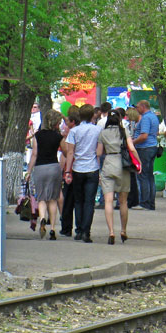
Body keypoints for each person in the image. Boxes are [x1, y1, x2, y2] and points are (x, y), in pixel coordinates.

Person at [63, 103, 103, 242]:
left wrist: (68, 170)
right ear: (93, 115)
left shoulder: (74, 131)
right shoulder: (98, 130)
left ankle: (78, 230)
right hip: (92, 168)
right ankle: (87, 231)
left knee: (78, 201)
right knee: (89, 201)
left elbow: (70, 152)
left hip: (78, 168)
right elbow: (99, 151)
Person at [96, 111, 137, 244]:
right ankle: (123, 230)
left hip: (108, 163)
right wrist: (138, 162)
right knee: (123, 201)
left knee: (108, 201)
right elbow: (131, 148)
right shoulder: (123, 131)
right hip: (122, 165)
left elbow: (99, 153)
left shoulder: (103, 133)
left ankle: (111, 232)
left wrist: (98, 170)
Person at [26, 109, 64, 240]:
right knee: (52, 199)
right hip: (54, 167)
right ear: (55, 123)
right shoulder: (58, 137)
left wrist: (29, 171)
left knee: (41, 198)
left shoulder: (38, 135)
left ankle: (42, 218)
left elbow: (34, 154)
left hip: (40, 168)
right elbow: (65, 151)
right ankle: (52, 229)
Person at [132, 100, 160, 210]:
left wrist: (132, 142)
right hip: (152, 147)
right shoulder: (153, 117)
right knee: (149, 176)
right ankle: (151, 203)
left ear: (143, 107)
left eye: (137, 107)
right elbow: (156, 132)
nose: (136, 109)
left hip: (144, 148)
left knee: (143, 176)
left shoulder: (145, 118)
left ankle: (144, 202)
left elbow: (144, 136)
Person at [59, 106, 81, 238]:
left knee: (68, 200)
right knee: (79, 200)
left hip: (71, 168)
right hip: (84, 168)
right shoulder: (85, 130)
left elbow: (68, 153)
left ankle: (66, 227)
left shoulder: (70, 134)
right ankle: (81, 228)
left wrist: (66, 170)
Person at [124, 107, 141, 208]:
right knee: (133, 177)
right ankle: (134, 199)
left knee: (132, 177)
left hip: (131, 151)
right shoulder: (133, 124)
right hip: (133, 150)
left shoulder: (130, 125)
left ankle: (132, 200)